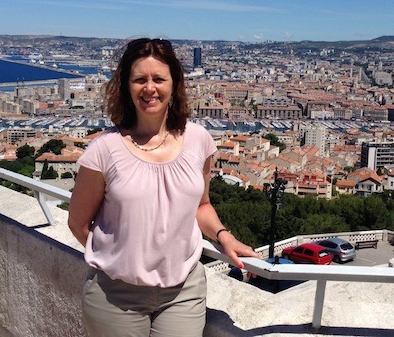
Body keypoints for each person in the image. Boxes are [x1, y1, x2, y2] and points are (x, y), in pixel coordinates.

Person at [68, 37, 259, 337]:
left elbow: (202, 205)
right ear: (126, 86)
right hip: (117, 297)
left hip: (184, 292)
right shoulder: (103, 151)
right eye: (139, 79)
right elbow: (78, 223)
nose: (149, 88)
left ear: (174, 84)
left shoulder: (200, 141)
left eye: (159, 78)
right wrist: (120, 259)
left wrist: (224, 236)